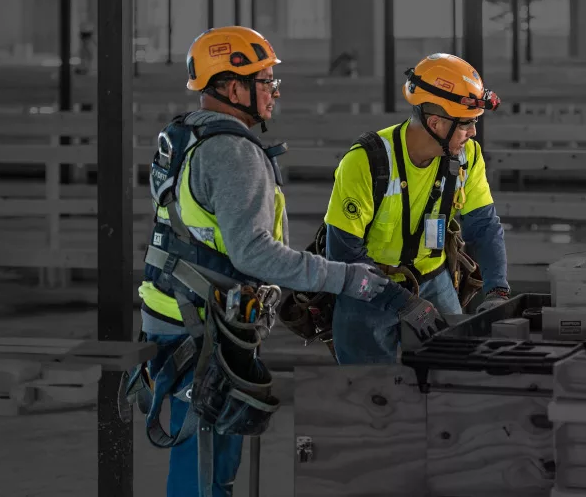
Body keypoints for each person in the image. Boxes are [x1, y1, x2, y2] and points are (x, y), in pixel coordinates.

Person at [132, 26, 389, 497]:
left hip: (172, 313)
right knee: (208, 464)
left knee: (201, 455)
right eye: (265, 80)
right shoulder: (233, 153)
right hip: (205, 327)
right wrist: (347, 278)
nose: (274, 90)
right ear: (233, 88)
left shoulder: (184, 136)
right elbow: (253, 252)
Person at [322, 53, 511, 364]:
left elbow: (483, 225)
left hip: (434, 281)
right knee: (368, 396)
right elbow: (343, 254)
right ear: (436, 123)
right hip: (368, 290)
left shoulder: (467, 156)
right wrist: (402, 302)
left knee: (450, 381)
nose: (473, 134)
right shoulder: (366, 161)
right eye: (466, 125)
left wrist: (497, 291)